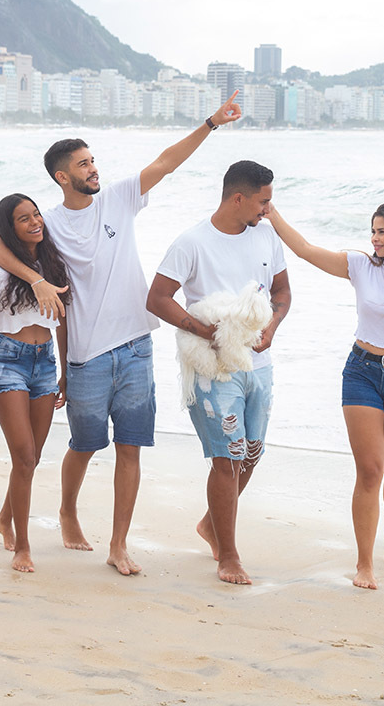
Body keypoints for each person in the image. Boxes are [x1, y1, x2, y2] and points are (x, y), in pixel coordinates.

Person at [0, 93, 243, 576]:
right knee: (83, 445)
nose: (93, 169)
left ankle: (118, 544)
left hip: (136, 345)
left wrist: (211, 123)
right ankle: (67, 512)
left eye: (94, 160)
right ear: (63, 177)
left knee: (131, 445)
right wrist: (37, 279)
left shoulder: (119, 199)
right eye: (84, 164)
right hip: (85, 355)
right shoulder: (51, 225)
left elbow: (166, 163)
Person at [266, 202, 384, 590]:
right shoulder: (360, 266)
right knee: (371, 470)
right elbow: (304, 249)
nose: (374, 238)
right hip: (362, 372)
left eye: (382, 231)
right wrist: (273, 214)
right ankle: (364, 563)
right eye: (373, 230)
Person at [147, 160, 291, 585]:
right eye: (264, 201)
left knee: (252, 454)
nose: (268, 210)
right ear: (238, 198)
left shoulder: (266, 236)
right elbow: (157, 297)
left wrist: (271, 327)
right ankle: (228, 554)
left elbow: (282, 291)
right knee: (226, 459)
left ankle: (211, 523)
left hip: (257, 365)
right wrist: (202, 331)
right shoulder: (192, 242)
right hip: (213, 371)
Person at [0, 193, 71, 573]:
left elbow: (62, 323)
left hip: (45, 364)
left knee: (32, 458)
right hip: (8, 362)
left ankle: (3, 518)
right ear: (9, 229)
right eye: (23, 219)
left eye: (36, 214)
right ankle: (22, 547)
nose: (34, 222)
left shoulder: (53, 266)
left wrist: (66, 371)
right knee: (24, 456)